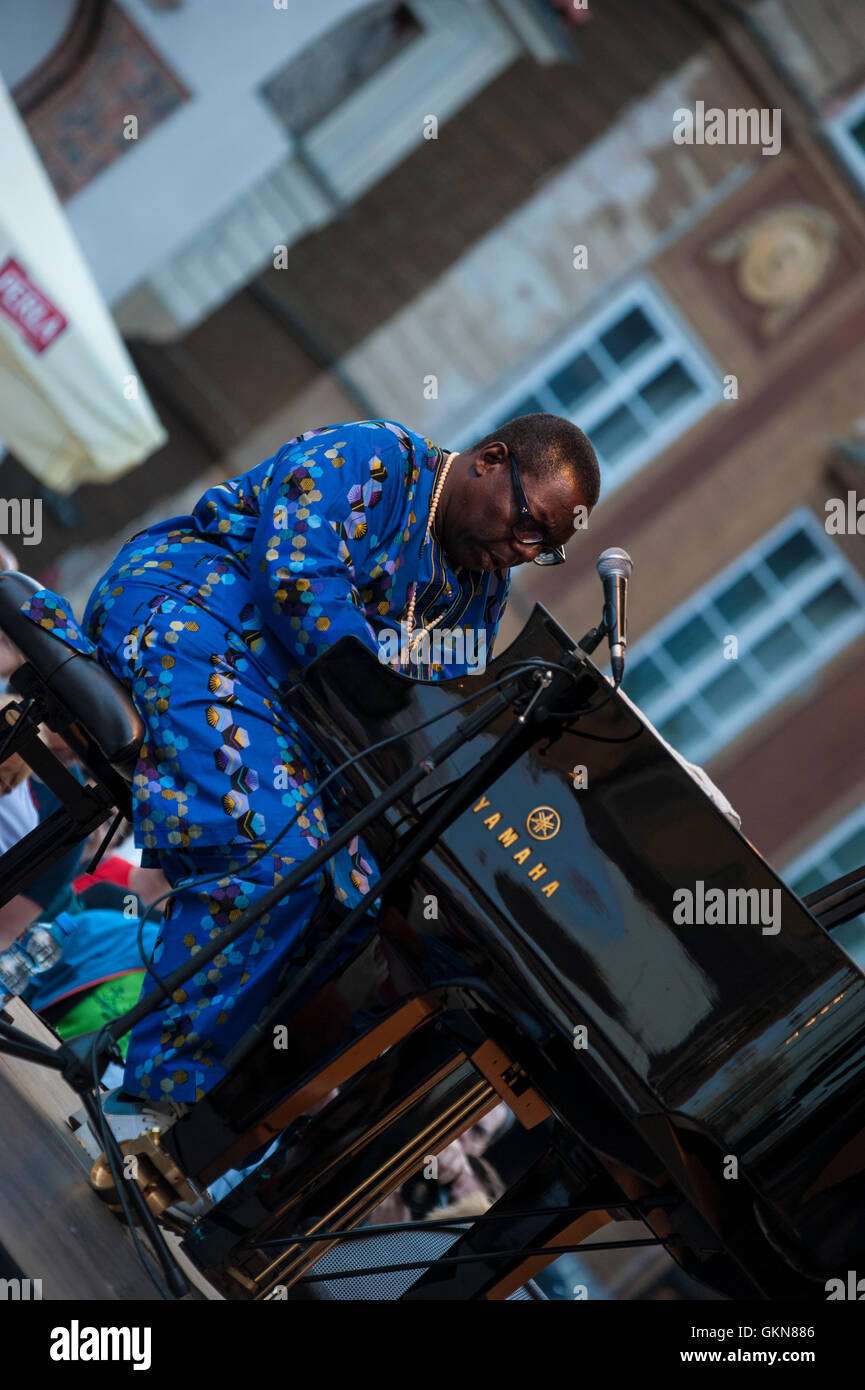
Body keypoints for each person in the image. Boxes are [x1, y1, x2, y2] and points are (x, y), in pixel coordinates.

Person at [14, 414, 600, 1109]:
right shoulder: (372, 457)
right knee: (276, 856)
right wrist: (381, 689)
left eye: (546, 549)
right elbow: (296, 581)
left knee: (349, 902)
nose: (522, 550)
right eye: (527, 524)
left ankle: (201, 1121)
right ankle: (149, 1093)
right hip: (192, 614)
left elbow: (422, 720)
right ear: (490, 460)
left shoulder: (478, 597)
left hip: (286, 710)